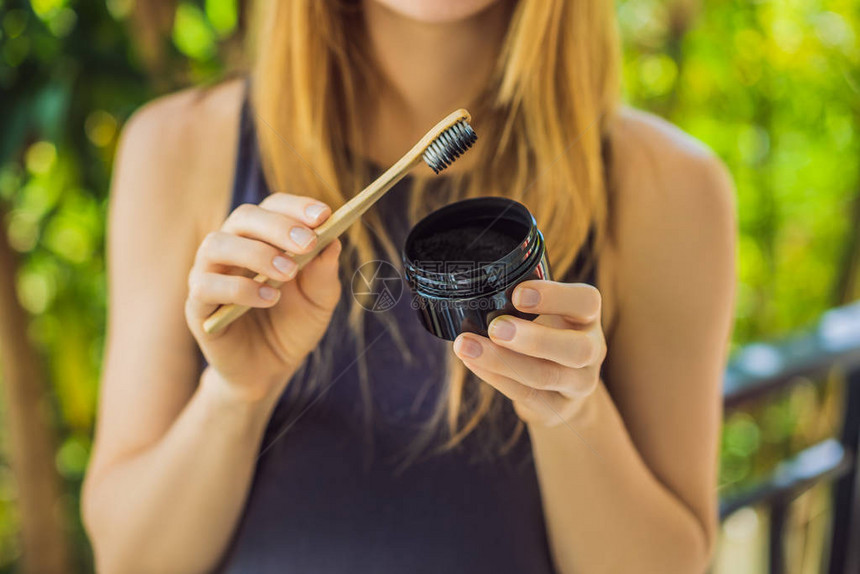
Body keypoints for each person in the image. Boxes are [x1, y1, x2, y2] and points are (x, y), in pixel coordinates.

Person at [81, 0, 736, 572]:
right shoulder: (177, 148)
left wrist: (572, 412)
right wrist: (233, 395)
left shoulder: (670, 187)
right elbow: (130, 559)